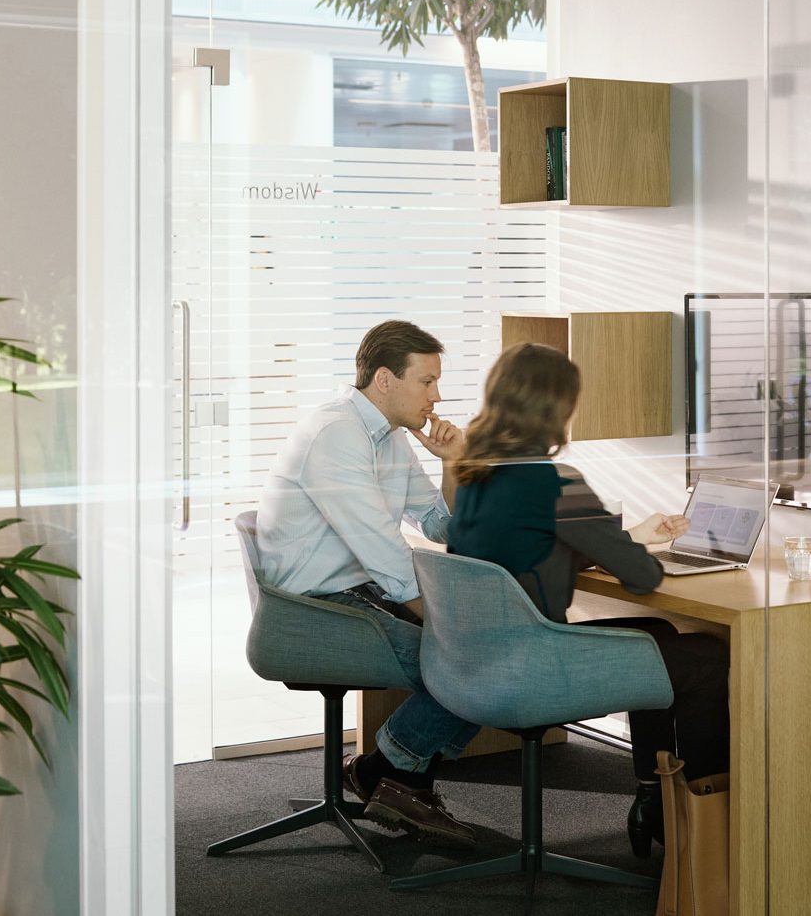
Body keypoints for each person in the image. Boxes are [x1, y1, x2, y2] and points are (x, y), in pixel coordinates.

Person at [446, 342, 730, 859]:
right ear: (556, 409)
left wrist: (624, 535)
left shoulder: (474, 473)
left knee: (658, 636)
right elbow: (642, 578)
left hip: (476, 657)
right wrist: (629, 545)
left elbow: (521, 552)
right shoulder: (556, 482)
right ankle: (700, 828)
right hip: (535, 663)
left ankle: (650, 798)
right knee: (709, 660)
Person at [255, 319, 483, 846]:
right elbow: (389, 560)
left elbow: (440, 525)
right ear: (385, 379)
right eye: (426, 381)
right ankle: (394, 779)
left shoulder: (388, 437)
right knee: (468, 658)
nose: (437, 395)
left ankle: (385, 773)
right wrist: (452, 626)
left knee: (472, 648)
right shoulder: (337, 435)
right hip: (311, 610)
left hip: (354, 594)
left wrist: (455, 463)